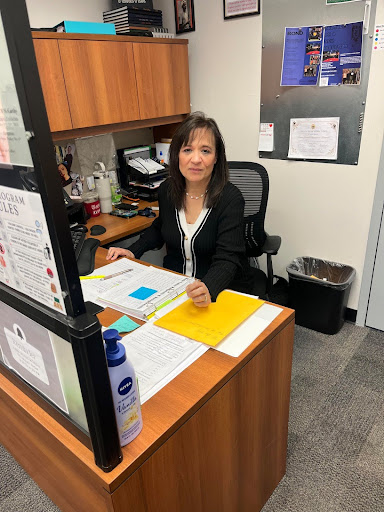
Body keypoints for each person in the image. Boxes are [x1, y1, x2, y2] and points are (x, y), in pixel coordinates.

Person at [106, 112, 260, 307]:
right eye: (187, 150)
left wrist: (209, 287)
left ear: (216, 158)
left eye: (205, 151)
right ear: (177, 154)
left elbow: (228, 258)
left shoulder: (230, 199)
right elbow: (160, 226)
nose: (196, 159)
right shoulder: (167, 190)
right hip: (176, 289)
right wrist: (132, 251)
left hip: (220, 293)